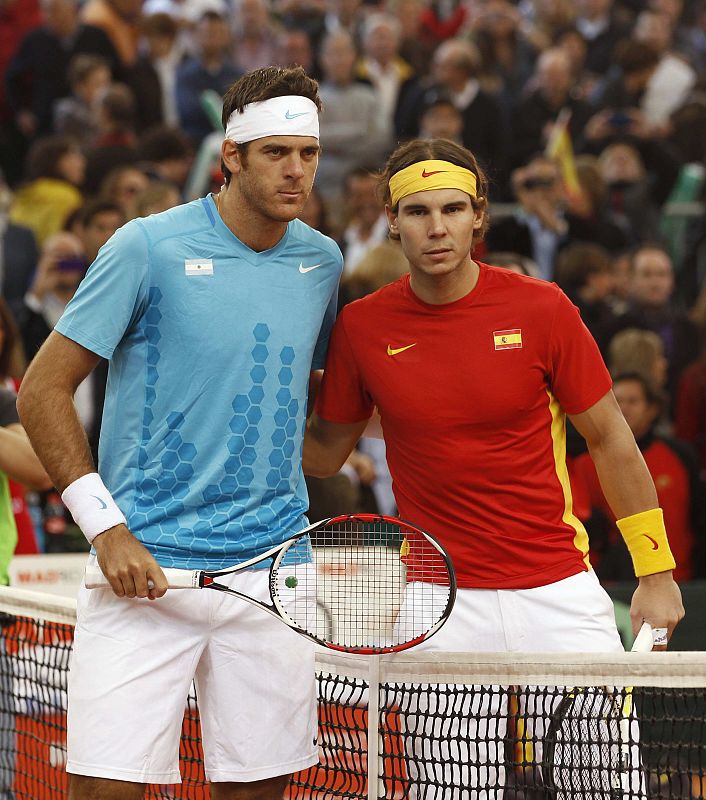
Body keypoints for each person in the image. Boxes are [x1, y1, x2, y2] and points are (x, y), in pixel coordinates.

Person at [303, 137, 684, 797]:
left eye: (452, 209)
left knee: (610, 788)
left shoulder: (542, 308)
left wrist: (655, 572)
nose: (436, 226)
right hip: (435, 600)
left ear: (479, 216)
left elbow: (613, 440)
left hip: (560, 592)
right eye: (417, 212)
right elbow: (324, 451)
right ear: (392, 222)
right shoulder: (362, 327)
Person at [17, 65, 343, 800]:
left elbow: (308, 395)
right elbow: (42, 390)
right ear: (231, 156)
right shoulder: (145, 246)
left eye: (308, 153)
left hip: (272, 571)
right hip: (140, 571)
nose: (296, 171)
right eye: (275, 153)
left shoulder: (321, 262)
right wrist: (107, 530)